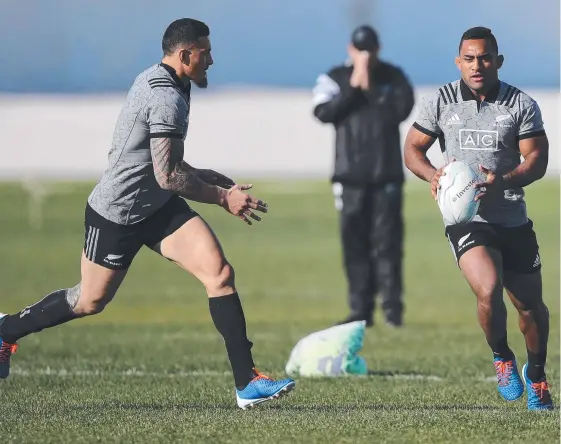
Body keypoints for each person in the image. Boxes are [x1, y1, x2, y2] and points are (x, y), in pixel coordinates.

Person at [0, 18, 295, 410]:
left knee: (219, 274)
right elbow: (168, 174)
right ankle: (6, 329)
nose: (212, 60)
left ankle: (247, 383)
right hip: (117, 213)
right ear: (185, 54)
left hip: (158, 207)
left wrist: (206, 177)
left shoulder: (177, 84)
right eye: (205, 53)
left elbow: (164, 165)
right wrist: (222, 197)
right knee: (89, 300)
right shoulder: (165, 97)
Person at [403, 26, 553, 410]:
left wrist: (503, 181)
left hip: (512, 216)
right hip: (466, 216)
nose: (477, 65)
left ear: (498, 61)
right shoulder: (441, 101)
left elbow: (537, 160)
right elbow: (413, 149)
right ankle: (501, 356)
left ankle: (535, 374)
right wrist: (432, 174)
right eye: (469, 58)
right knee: (488, 289)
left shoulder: (520, 104)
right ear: (458, 62)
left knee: (530, 308)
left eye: (485, 57)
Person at [312, 25, 415, 327]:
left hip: (386, 176)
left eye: (370, 49)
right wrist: (354, 86)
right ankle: (360, 311)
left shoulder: (394, 77)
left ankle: (393, 310)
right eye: (360, 49)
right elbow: (322, 112)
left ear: (379, 49)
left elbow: (401, 111)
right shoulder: (334, 78)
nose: (365, 55)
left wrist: (369, 86)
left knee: (388, 244)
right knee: (354, 245)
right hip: (350, 178)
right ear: (350, 49)